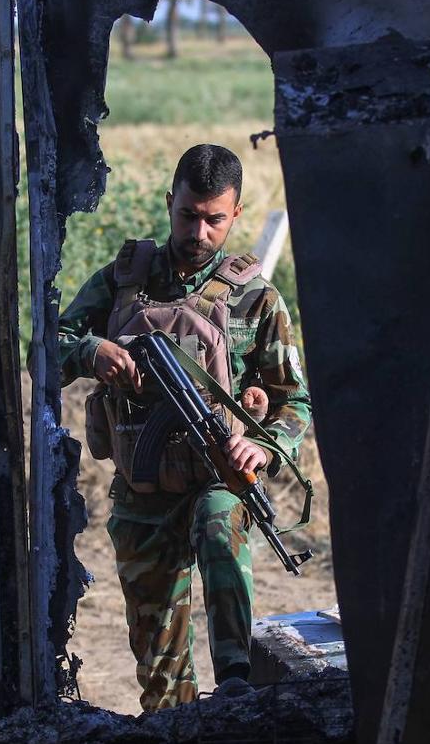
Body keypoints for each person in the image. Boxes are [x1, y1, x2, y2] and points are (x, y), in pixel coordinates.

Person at [57, 144, 312, 711]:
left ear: (237, 214)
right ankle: (180, 726)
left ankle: (239, 688)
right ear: (170, 202)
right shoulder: (123, 283)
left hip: (217, 478)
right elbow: (44, 348)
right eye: (188, 215)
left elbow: (297, 402)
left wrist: (263, 448)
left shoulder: (256, 299)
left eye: (214, 219)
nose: (199, 231)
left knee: (221, 524)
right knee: (162, 681)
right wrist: (90, 350)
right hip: (142, 494)